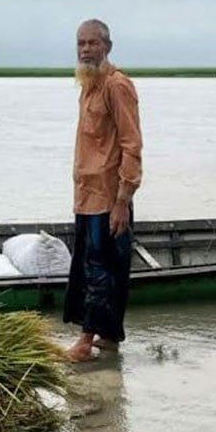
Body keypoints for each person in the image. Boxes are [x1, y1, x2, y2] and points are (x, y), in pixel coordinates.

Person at [64, 19, 143, 362]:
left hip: (108, 198)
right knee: (97, 266)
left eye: (92, 43)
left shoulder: (116, 86)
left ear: (107, 47)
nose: (85, 49)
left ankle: (84, 342)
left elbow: (131, 145)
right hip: (86, 195)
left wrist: (123, 200)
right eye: (81, 43)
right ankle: (108, 339)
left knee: (99, 269)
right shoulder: (89, 85)